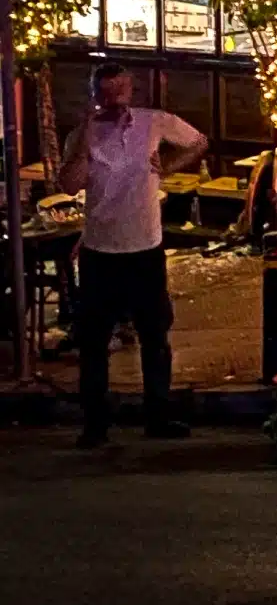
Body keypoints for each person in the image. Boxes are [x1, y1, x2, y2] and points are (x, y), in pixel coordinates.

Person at [60, 64, 209, 449]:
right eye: (105, 93)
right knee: (94, 343)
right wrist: (85, 139)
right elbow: (69, 184)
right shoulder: (82, 134)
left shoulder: (152, 122)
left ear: (130, 90)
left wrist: (169, 167)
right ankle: (95, 424)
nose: (114, 100)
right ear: (95, 95)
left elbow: (198, 142)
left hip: (145, 247)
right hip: (100, 250)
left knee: (154, 336)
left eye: (120, 91)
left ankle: (158, 415)